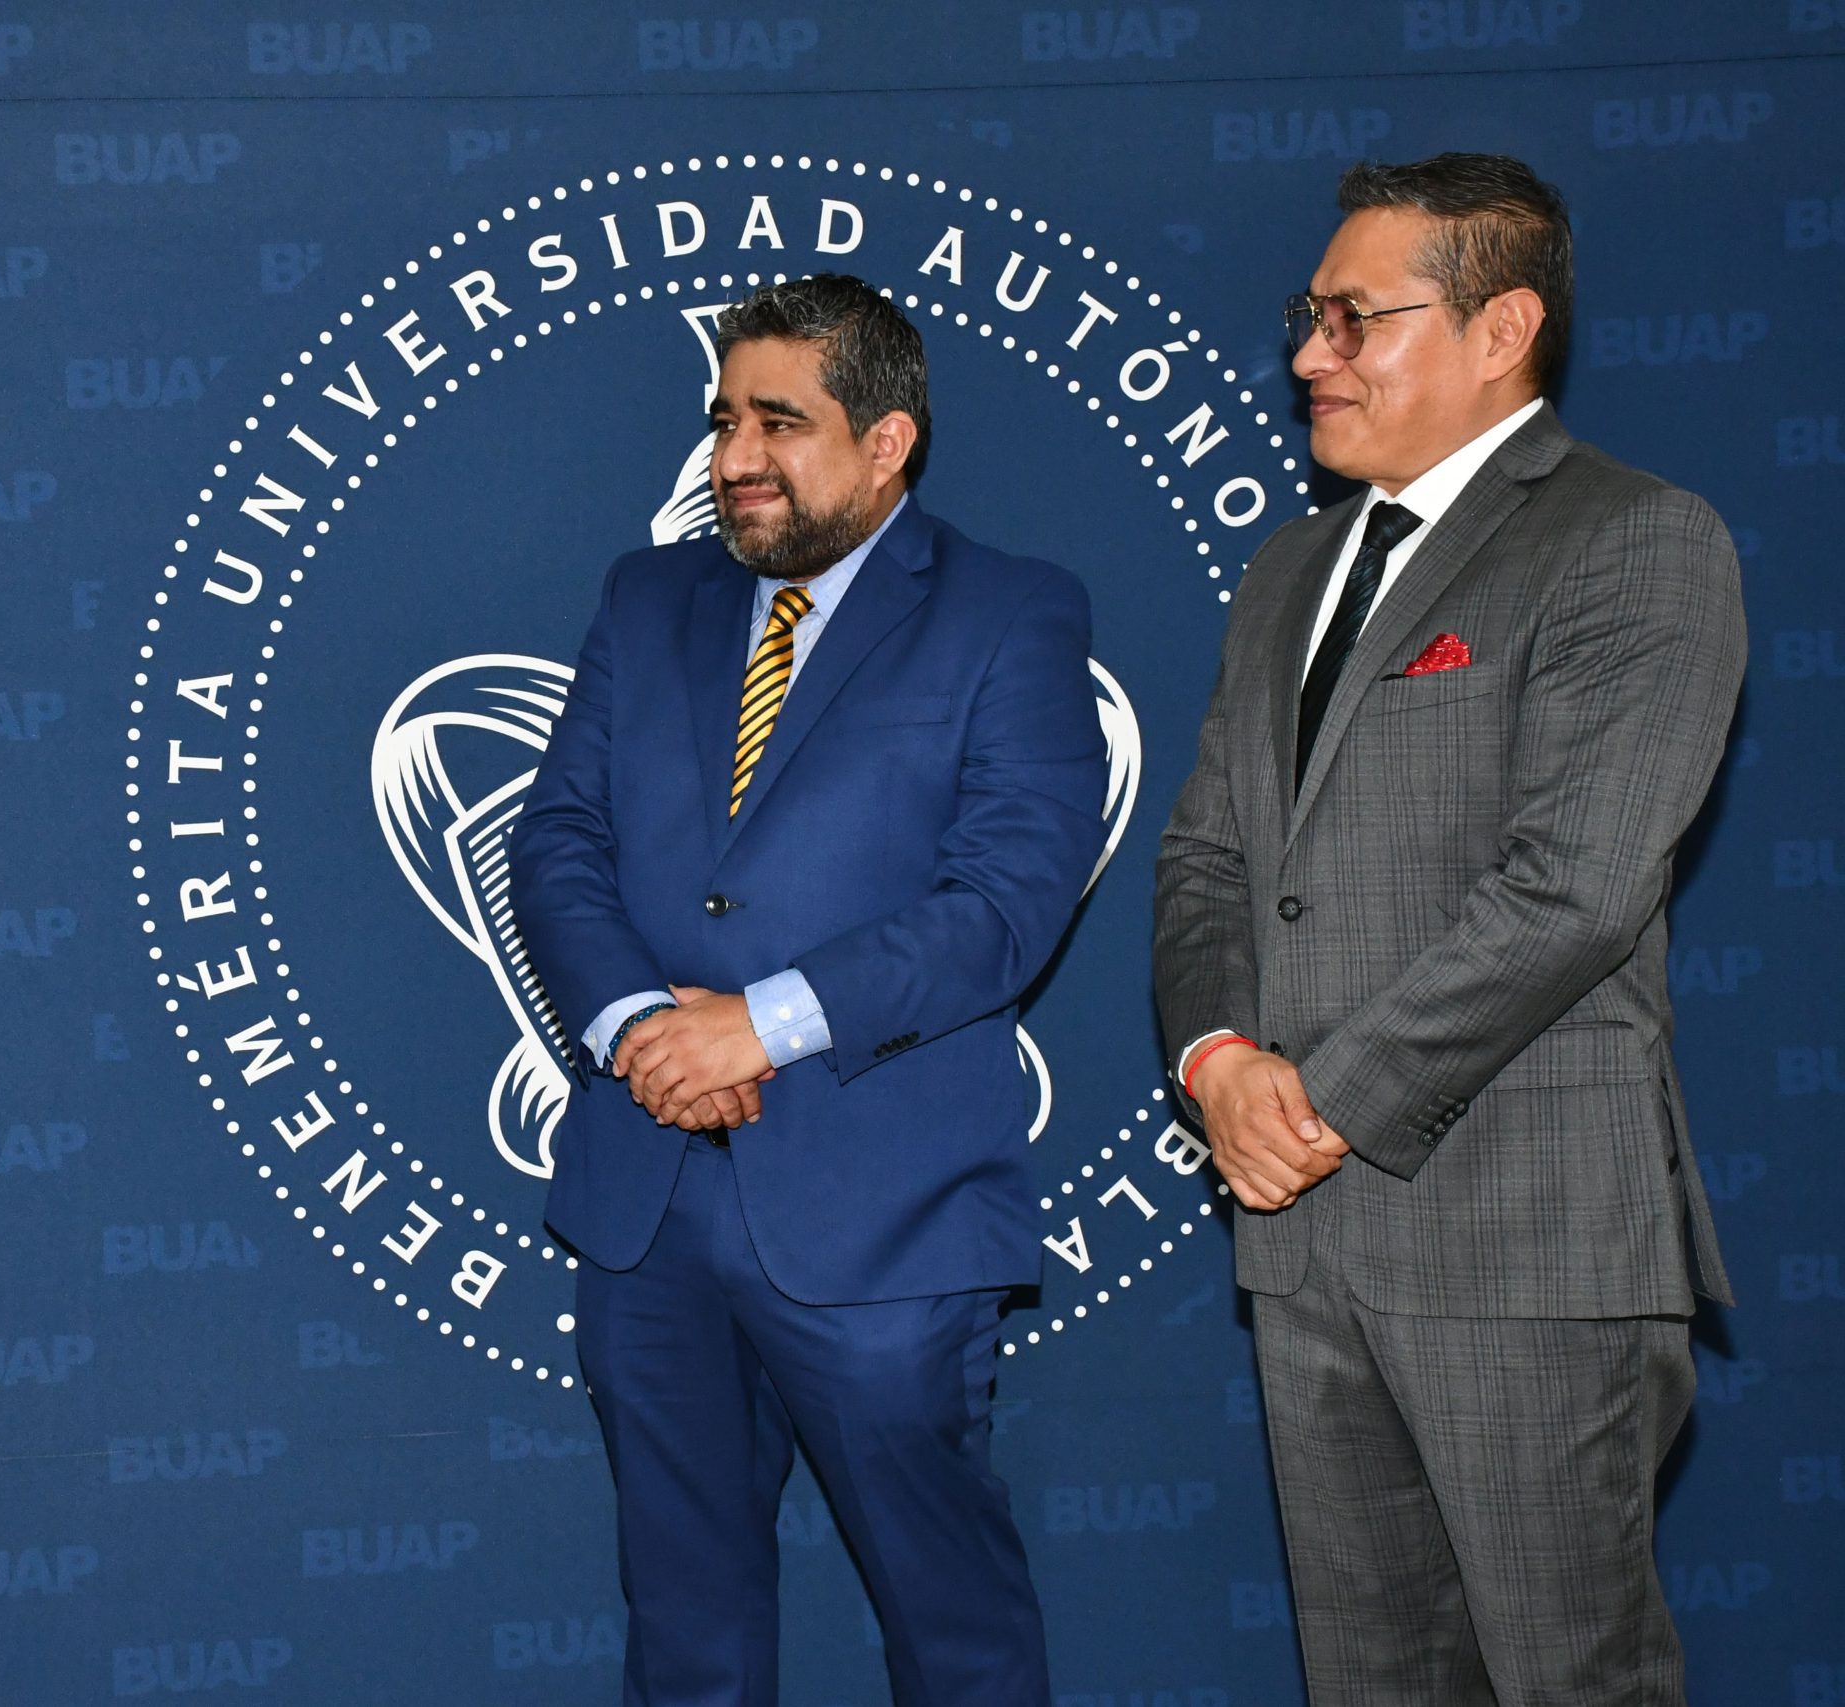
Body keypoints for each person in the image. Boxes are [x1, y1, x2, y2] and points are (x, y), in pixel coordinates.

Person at [1153, 154, 1743, 1704]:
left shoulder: (1635, 540)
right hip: (1305, 1246)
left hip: (1525, 1244)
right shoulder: (1289, 569)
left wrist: (1320, 1103)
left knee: (1569, 1683)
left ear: (1503, 331)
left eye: (1358, 317)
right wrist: (1218, 1061)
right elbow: (1210, 858)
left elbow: (1576, 888)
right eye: (1309, 315)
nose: (1311, 354)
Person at [513, 273, 1107, 1704]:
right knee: (685, 1632)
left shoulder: (1011, 613)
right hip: (650, 1200)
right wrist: (639, 1030)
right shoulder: (647, 597)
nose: (737, 457)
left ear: (888, 441)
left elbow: (1005, 904)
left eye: (780, 423)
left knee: (954, 1631)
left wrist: (759, 1026)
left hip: (884, 1213)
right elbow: (559, 840)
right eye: (725, 420)